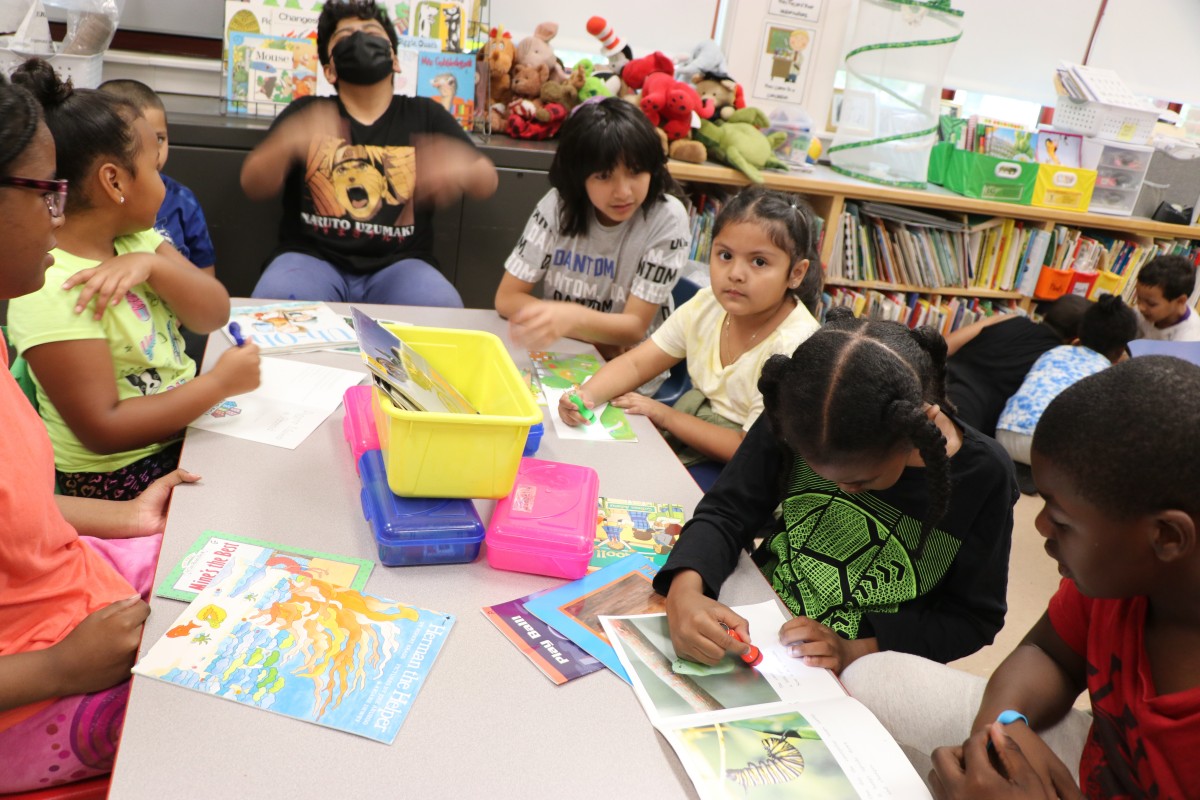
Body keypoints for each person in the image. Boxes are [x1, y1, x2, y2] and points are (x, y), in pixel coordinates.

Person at [841, 356, 1200, 798]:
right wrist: (1004, 728)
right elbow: (1048, 652)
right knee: (872, 679)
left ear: (1165, 535)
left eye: (1063, 520)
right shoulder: (1118, 584)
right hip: (1100, 769)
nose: (1041, 527)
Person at [0, 72, 199, 794]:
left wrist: (128, 517)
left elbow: (19, 511)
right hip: (36, 689)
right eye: (47, 193)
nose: (63, 217)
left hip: (76, 607)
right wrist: (59, 669)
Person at [654, 309, 1017, 675]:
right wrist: (684, 593)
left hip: (868, 667)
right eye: (814, 470)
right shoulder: (800, 410)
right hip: (758, 608)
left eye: (862, 481)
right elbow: (727, 510)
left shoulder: (984, 476)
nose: (844, 490)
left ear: (916, 428)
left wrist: (855, 650)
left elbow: (973, 619)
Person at [6, 59, 261, 500]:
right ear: (115, 180)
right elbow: (103, 430)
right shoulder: (51, 282)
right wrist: (217, 385)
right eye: (153, 167)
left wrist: (155, 266)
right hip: (118, 476)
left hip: (181, 433)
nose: (163, 182)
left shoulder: (138, 239)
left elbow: (213, 311)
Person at [558, 187, 820, 489]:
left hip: (757, 470)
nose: (736, 273)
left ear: (796, 273)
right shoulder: (707, 304)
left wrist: (664, 415)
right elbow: (636, 365)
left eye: (759, 262)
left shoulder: (795, 346)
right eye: (725, 255)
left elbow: (746, 447)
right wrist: (585, 397)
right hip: (697, 436)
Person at [242, 0, 498, 307]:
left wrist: (460, 166)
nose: (359, 38)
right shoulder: (306, 111)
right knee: (277, 299)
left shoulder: (425, 114)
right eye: (346, 35)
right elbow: (253, 184)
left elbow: (487, 180)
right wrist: (286, 143)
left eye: (371, 31)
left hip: (401, 265)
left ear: (395, 60)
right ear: (330, 69)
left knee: (442, 307)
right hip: (311, 260)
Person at [494, 97, 690, 385]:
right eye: (603, 176)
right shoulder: (558, 206)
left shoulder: (667, 218)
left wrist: (568, 319)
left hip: (629, 372)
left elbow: (634, 328)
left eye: (635, 172)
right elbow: (507, 298)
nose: (623, 191)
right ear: (579, 177)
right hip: (562, 356)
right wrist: (590, 331)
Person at [994, 294, 1138, 468]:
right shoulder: (1108, 375)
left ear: (1079, 333)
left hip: (1003, 434)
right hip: (1044, 449)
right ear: (1122, 350)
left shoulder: (1055, 352)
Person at [97, 79, 215, 276]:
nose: (156, 152)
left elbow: (207, 281)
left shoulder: (183, 201)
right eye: (141, 142)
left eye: (160, 139)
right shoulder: (95, 206)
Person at [944, 295, 1089, 437]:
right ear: (1076, 340)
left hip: (935, 383)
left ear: (1044, 314)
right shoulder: (1055, 360)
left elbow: (946, 345)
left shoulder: (1009, 318)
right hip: (966, 420)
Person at [1134, 253, 1200, 342]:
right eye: (1138, 298)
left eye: (1151, 304)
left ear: (1180, 301)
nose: (1140, 307)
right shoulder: (1145, 312)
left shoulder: (1188, 339)